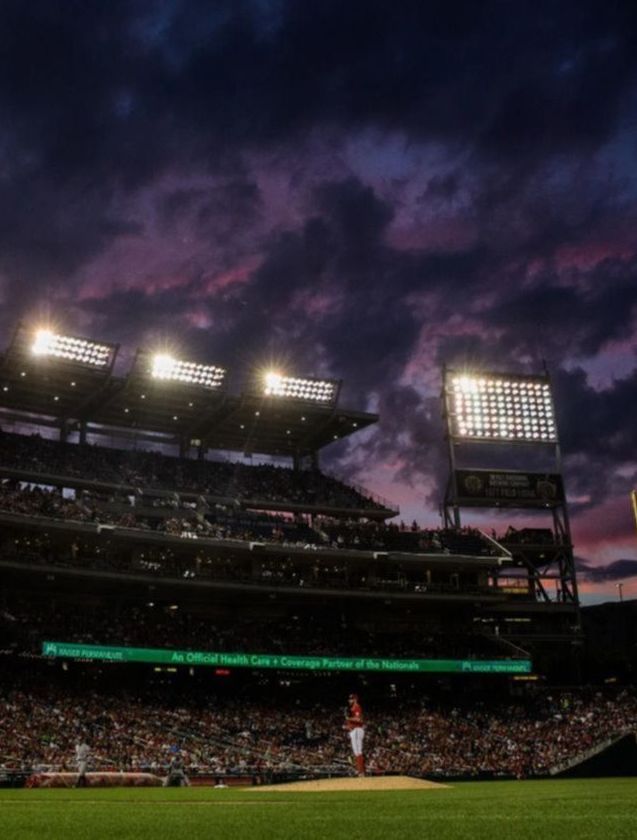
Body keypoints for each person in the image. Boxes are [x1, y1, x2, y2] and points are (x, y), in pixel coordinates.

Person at [345, 693, 365, 776]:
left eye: (351, 699)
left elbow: (359, 719)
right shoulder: (352, 708)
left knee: (358, 751)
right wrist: (347, 726)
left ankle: (361, 771)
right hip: (354, 730)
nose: (350, 700)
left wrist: (349, 718)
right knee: (356, 752)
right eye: (349, 699)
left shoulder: (356, 707)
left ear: (355, 699)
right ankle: (359, 770)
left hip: (357, 730)